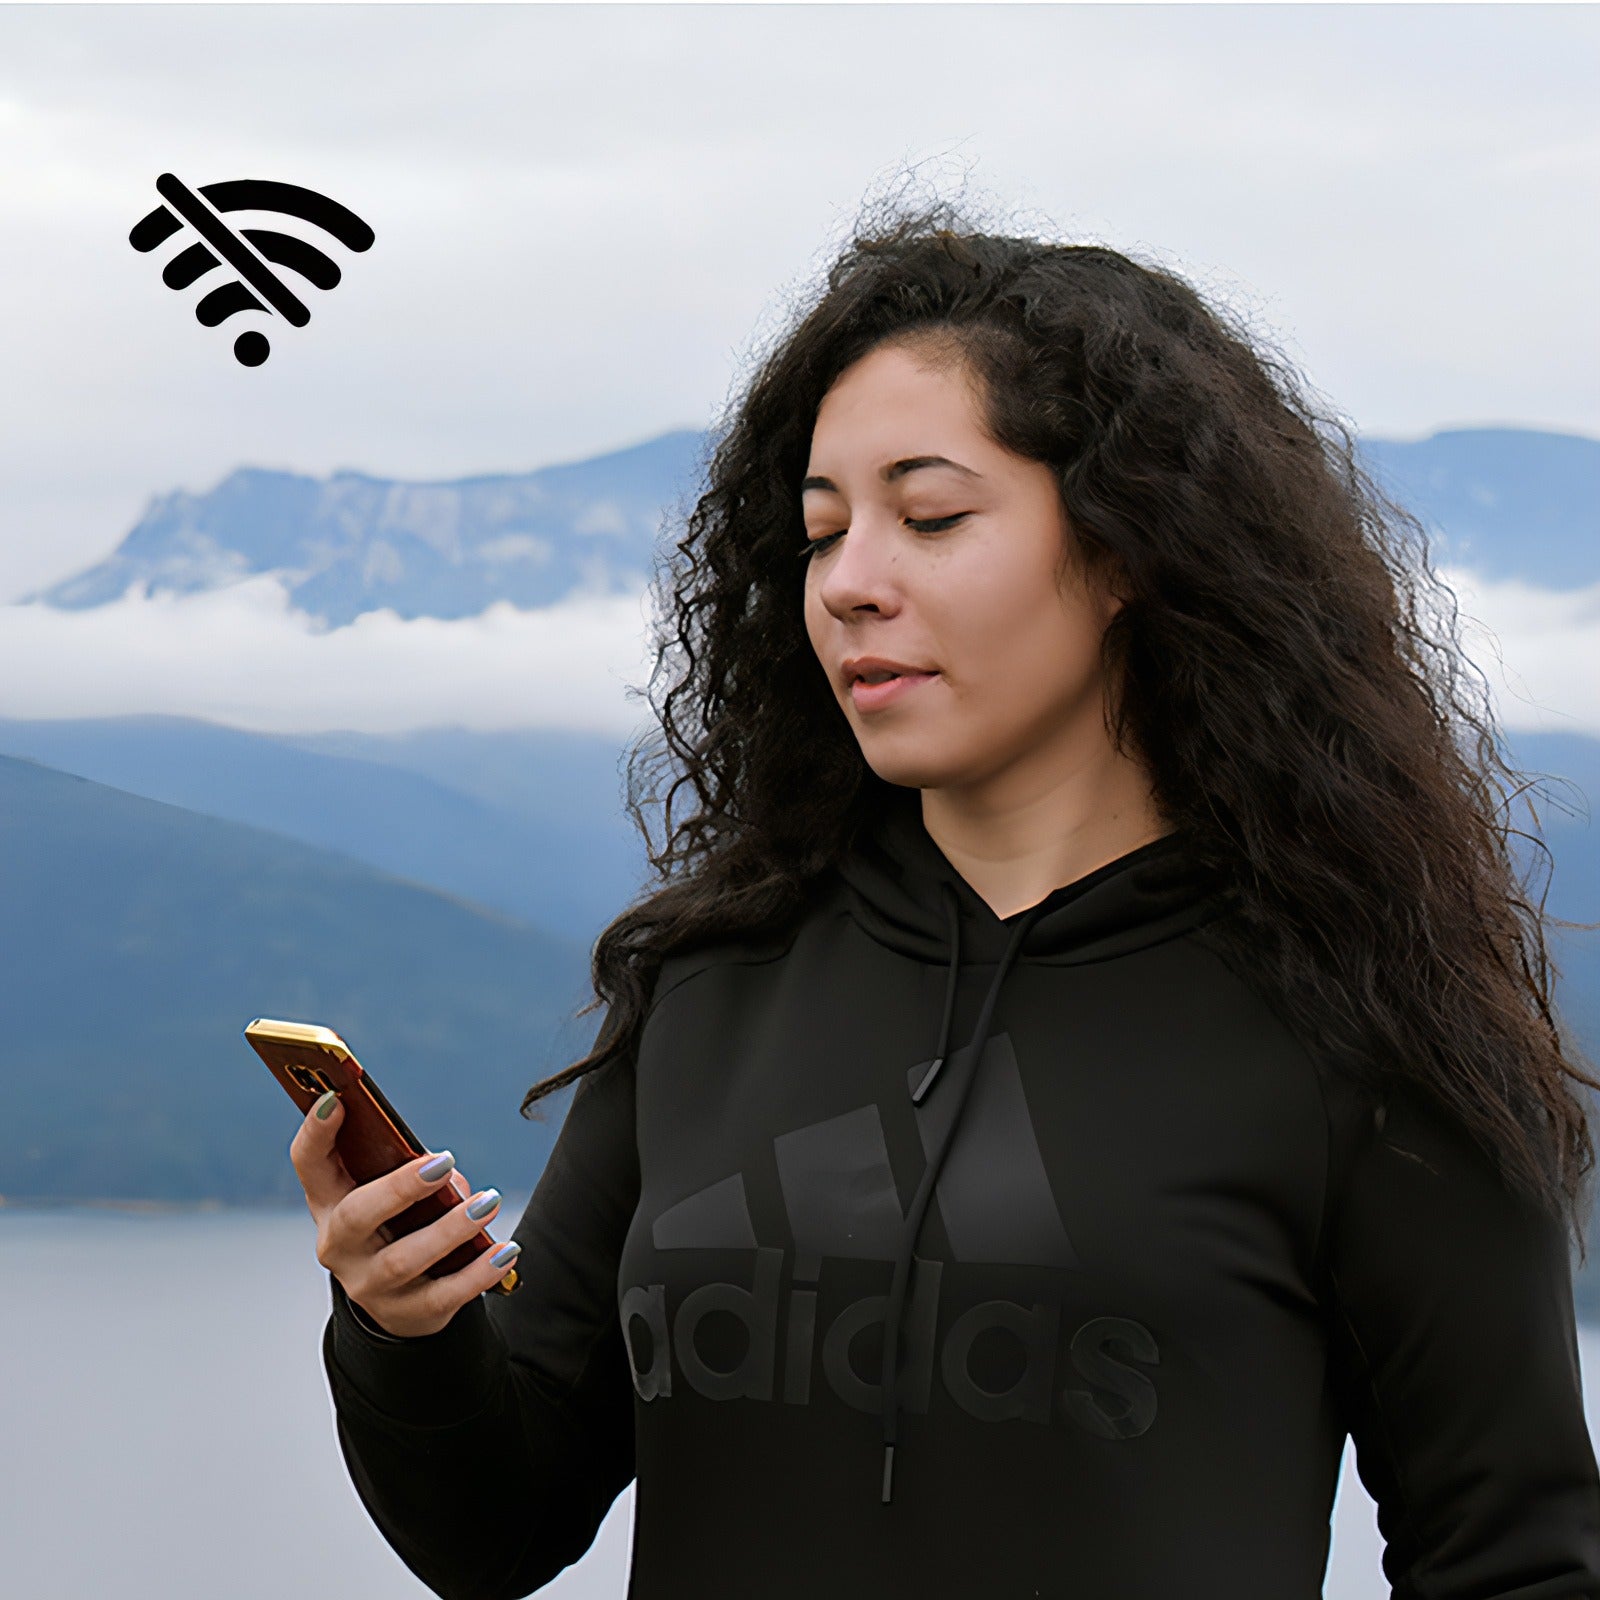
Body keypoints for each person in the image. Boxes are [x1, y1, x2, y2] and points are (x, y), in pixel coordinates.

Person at [291, 192, 1600, 1599]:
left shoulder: (1358, 1030)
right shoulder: (711, 986)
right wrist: (402, 1332)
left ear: (1126, 551)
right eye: (820, 530)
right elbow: (493, 1527)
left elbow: (1513, 1560)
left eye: (929, 516)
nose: (851, 583)